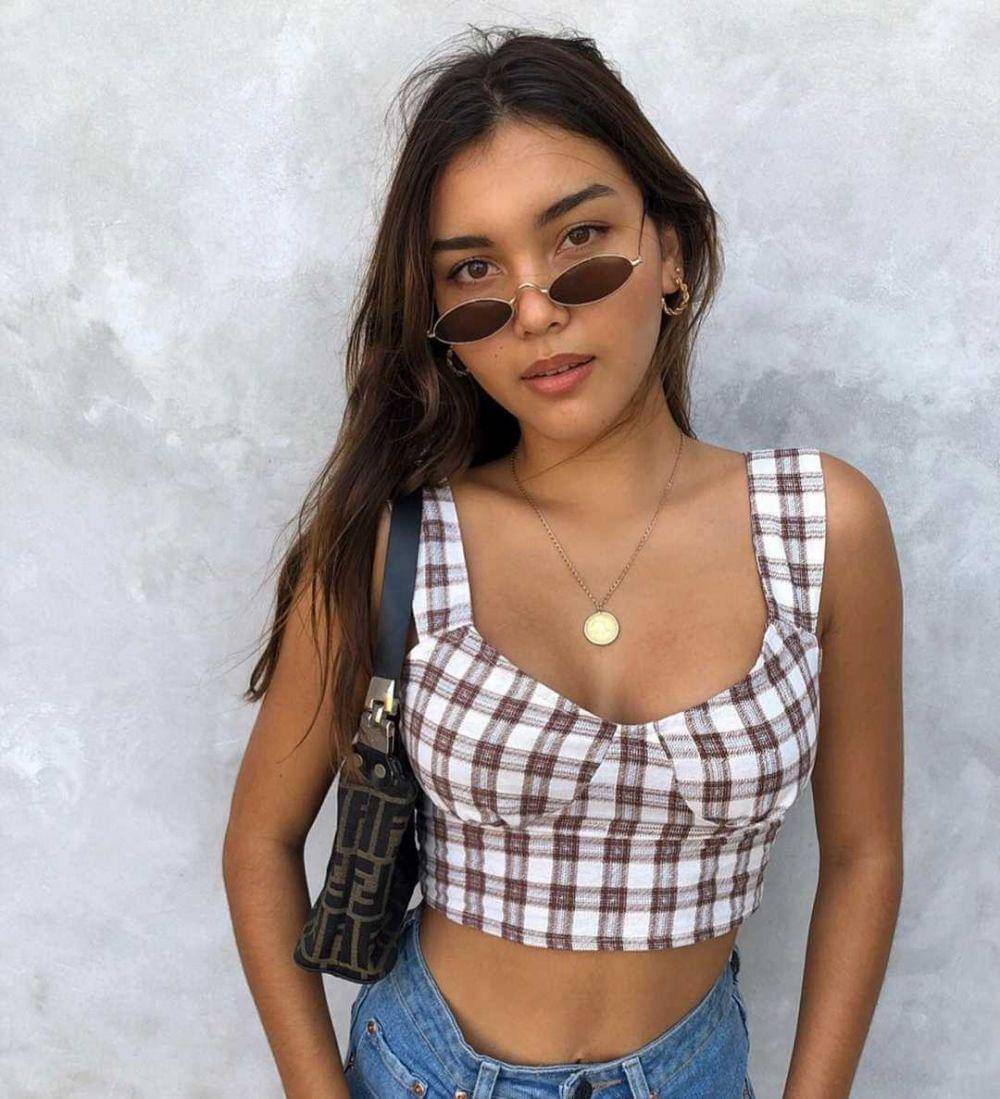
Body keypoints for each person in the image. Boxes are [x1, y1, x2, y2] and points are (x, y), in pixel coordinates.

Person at [222, 27, 904, 1099]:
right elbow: (261, 842)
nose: (537, 309)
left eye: (580, 239)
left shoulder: (821, 526)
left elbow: (863, 853)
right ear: (444, 326)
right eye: (475, 273)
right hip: (424, 1073)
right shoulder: (392, 542)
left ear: (671, 252)